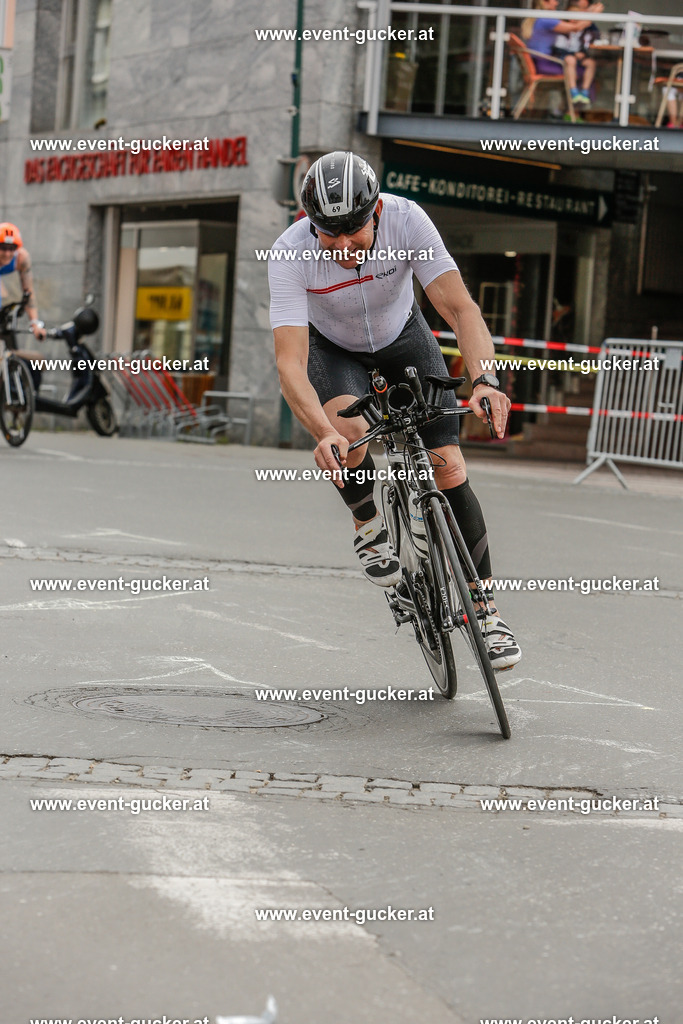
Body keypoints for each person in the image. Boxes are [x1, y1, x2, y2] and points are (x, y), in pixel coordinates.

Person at [268, 151, 521, 670]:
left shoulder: (407, 219)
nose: (341, 246)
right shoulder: (289, 253)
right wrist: (321, 433)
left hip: (403, 336)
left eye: (353, 232)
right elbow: (290, 363)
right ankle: (367, 523)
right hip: (333, 350)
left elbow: (459, 308)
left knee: (448, 464)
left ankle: (487, 613)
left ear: (376, 211)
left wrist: (486, 380)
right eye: (327, 234)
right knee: (347, 430)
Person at [521, 0, 604, 108]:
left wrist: (588, 11)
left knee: (580, 66)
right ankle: (578, 105)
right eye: (554, 0)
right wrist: (593, 14)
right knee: (584, 72)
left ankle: (572, 106)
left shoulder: (541, 18)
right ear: (545, 2)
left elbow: (572, 20)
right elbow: (575, 27)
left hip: (540, 62)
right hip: (544, 65)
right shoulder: (546, 20)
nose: (557, 3)